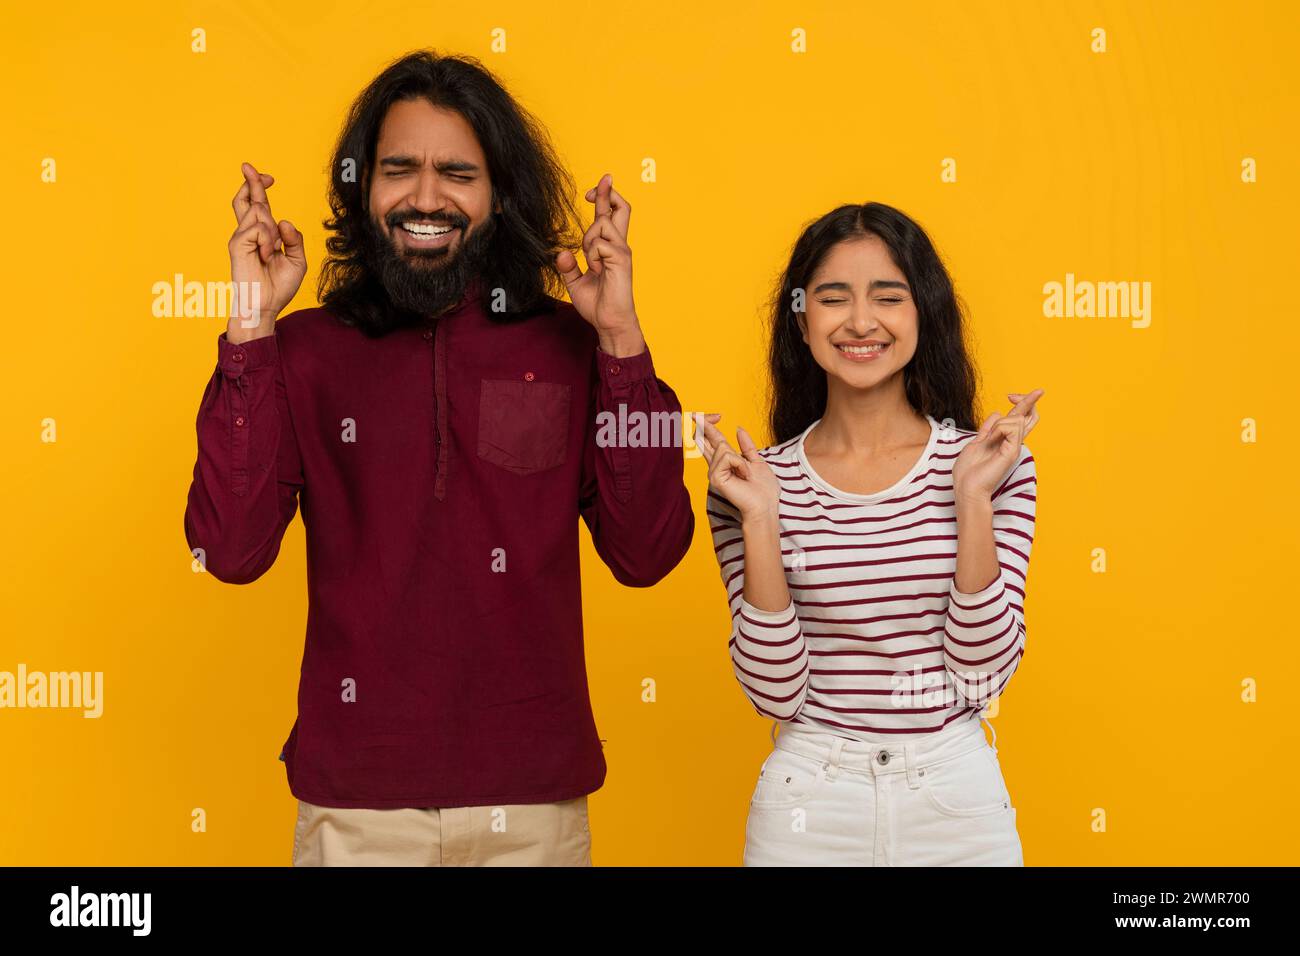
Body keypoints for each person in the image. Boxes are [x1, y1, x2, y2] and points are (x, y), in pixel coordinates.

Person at [183, 50, 696, 866]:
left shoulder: (570, 344)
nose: (426, 197)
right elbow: (233, 551)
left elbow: (649, 551)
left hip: (532, 803)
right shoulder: (303, 351)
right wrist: (250, 326)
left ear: (499, 194)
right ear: (364, 189)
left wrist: (621, 342)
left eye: (458, 172)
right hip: (355, 806)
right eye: (399, 170)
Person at [695, 201, 1043, 866]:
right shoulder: (752, 485)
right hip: (809, 802)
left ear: (923, 315)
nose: (860, 322)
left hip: (956, 798)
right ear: (801, 320)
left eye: (888, 297)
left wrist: (971, 497)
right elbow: (775, 692)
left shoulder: (994, 465)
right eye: (833, 299)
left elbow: (981, 679)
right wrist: (762, 519)